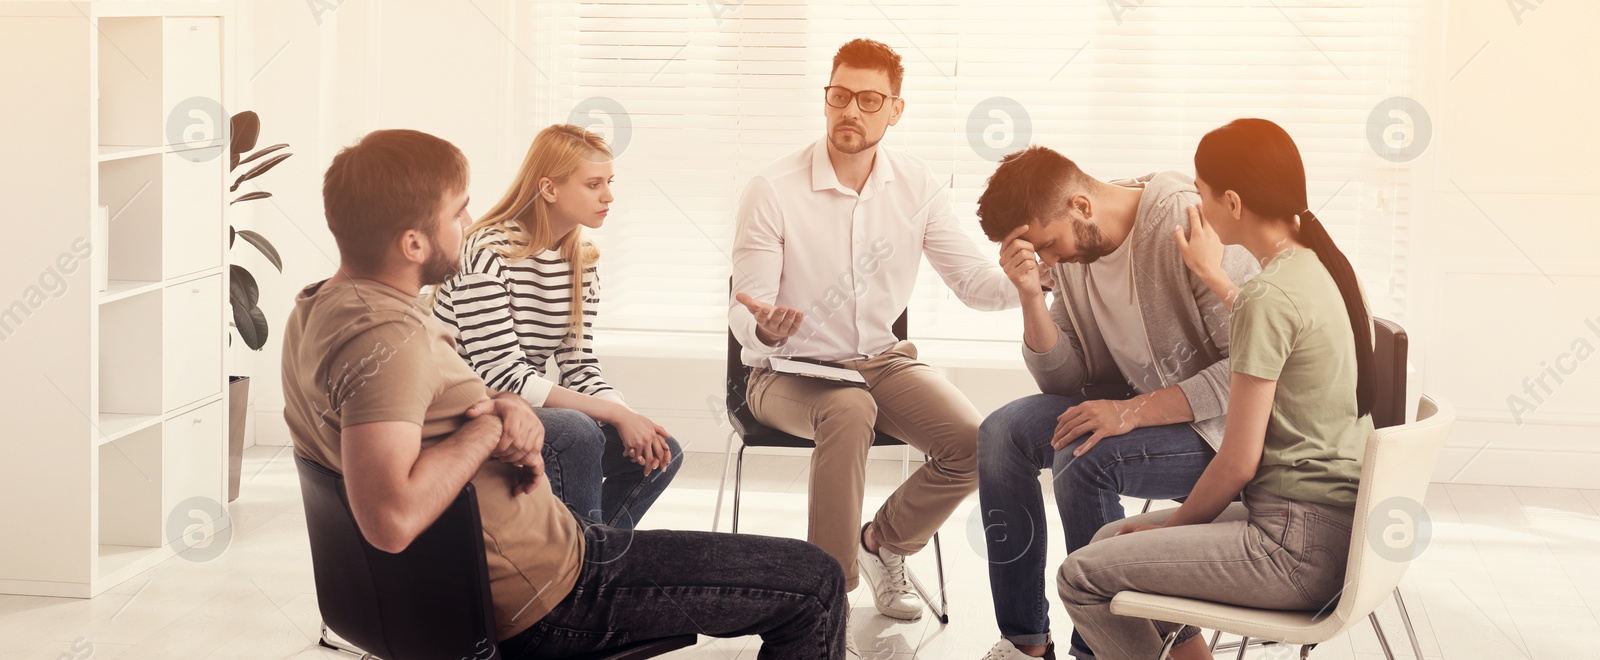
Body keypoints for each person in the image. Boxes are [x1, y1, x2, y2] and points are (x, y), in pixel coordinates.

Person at [282, 128, 848, 659]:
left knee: (641, 448)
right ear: (412, 243)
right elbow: (390, 516)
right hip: (554, 595)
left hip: (548, 560)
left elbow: (524, 378)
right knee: (817, 583)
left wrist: (512, 410)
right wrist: (491, 424)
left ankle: (598, 541)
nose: (470, 221)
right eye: (458, 212)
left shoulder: (317, 309)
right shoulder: (392, 339)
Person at [728, 38, 1019, 645]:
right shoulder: (774, 188)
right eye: (839, 96)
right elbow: (745, 306)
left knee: (975, 443)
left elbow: (974, 284)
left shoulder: (917, 187)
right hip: (786, 371)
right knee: (848, 406)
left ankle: (882, 544)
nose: (849, 112)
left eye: (867, 99)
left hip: (879, 362)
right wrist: (763, 326)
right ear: (826, 98)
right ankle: (826, 597)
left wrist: (1028, 280)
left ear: (895, 109)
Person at [1057, 118, 1377, 660]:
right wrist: (1214, 277)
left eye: (1200, 193)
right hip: (1328, 530)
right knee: (1108, 544)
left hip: (1291, 547)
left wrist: (1168, 532)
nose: (1195, 205)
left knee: (1080, 577)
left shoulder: (1268, 296)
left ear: (1231, 201)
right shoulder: (1313, 269)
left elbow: (1237, 464)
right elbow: (1275, 332)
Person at [971, 146, 1258, 660]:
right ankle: (1026, 644)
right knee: (1001, 434)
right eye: (1041, 256)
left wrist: (1129, 412)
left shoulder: (1183, 221)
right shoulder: (1075, 253)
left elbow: (1252, 366)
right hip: (1140, 414)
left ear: (1081, 205)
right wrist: (1031, 297)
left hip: (1224, 431)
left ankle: (1110, 647)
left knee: (1085, 455)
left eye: (1050, 247)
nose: (1051, 263)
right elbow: (1066, 378)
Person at [433, 124, 681, 529]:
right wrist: (615, 415)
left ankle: (590, 561)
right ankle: (586, 572)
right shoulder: (487, 254)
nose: (609, 196)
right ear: (549, 188)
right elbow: (502, 376)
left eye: (610, 182)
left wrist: (627, 415)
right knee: (579, 431)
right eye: (593, 184)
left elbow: (579, 364)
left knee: (661, 449)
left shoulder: (582, 260)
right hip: (464, 410)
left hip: (515, 407)